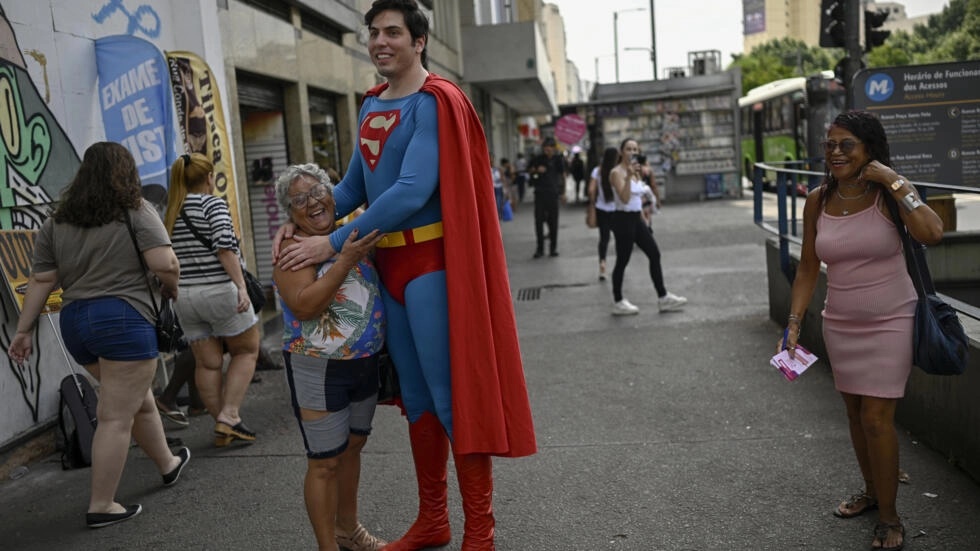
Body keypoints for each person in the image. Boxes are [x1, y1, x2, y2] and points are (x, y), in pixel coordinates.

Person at [272, 2, 536, 550]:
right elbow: (351, 189)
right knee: (415, 400)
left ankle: (480, 532)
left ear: (420, 42)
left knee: (449, 398)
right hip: (389, 267)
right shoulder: (372, 105)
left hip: (432, 266)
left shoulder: (435, 102)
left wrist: (331, 240)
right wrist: (299, 225)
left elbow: (412, 189)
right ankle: (434, 519)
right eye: (373, 32)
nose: (379, 41)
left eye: (393, 32)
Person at [781, 111, 943, 551]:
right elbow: (810, 266)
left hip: (892, 318)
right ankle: (873, 494)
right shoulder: (817, 199)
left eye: (845, 144)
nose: (834, 152)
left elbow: (932, 232)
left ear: (869, 149)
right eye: (829, 144)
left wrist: (894, 181)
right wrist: (794, 323)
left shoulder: (890, 193)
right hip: (841, 321)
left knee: (876, 419)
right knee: (855, 416)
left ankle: (890, 517)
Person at [7, 142, 190, 528]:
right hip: (123, 320)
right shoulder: (136, 211)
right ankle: (101, 505)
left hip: (77, 324)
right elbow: (166, 262)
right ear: (127, 172)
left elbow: (41, 280)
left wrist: (23, 331)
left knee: (136, 399)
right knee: (113, 417)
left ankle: (168, 464)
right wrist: (170, 287)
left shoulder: (56, 222)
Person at [273, 164, 387, 551]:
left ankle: (348, 530)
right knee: (324, 461)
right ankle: (328, 546)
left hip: (364, 362)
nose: (313, 202)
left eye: (318, 191)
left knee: (353, 448)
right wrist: (344, 260)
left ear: (332, 193)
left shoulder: (352, 229)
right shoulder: (291, 249)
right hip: (318, 368)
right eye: (299, 200)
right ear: (290, 213)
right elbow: (304, 306)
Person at [164, 153, 261, 447]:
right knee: (246, 351)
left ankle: (222, 421)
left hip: (185, 298)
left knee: (207, 365)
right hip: (219, 291)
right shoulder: (212, 204)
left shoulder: (169, 212)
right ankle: (229, 416)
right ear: (209, 178)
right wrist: (241, 286)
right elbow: (225, 248)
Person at [607, 138, 687, 315]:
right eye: (628, 149)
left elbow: (637, 200)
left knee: (654, 253)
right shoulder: (616, 172)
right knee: (623, 260)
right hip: (622, 220)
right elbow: (625, 198)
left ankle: (663, 297)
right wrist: (628, 176)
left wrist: (645, 218)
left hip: (636, 219)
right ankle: (618, 300)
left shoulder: (636, 171)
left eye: (635, 149)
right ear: (621, 152)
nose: (632, 152)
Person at [529, 137, 566, 258]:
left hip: (553, 194)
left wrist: (563, 193)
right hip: (539, 194)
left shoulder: (558, 159)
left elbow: (562, 176)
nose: (547, 150)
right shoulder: (538, 159)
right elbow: (530, 171)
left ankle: (553, 248)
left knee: (553, 222)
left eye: (549, 148)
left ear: (554, 148)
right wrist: (536, 170)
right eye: (545, 147)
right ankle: (539, 249)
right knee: (538, 221)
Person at [587, 147, 620, 281]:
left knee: (604, 238)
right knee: (619, 238)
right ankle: (619, 265)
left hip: (602, 209)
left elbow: (591, 190)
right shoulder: (617, 171)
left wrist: (592, 202)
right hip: (617, 209)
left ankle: (602, 264)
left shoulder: (597, 171)